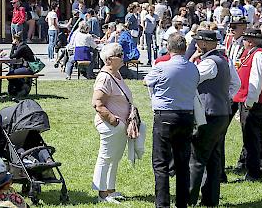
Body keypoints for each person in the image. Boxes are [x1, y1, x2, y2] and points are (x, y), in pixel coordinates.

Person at [144, 33, 199, 208]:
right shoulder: (193, 68)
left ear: (168, 48)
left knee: (161, 163)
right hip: (186, 116)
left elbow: (147, 81)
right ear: (185, 49)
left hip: (165, 115)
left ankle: (162, 203)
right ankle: (182, 202)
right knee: (183, 162)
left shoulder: (162, 67)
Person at [188, 30, 238, 206]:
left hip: (209, 114)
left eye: (198, 42)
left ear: (205, 44)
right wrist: (225, 98)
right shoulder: (224, 60)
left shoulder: (208, 63)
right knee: (214, 158)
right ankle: (210, 199)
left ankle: (189, 199)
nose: (195, 45)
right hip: (221, 113)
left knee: (197, 158)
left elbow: (189, 79)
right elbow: (236, 84)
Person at [232, 28, 262, 181]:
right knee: (255, 136)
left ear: (249, 41)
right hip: (252, 101)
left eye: (244, 40)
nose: (242, 42)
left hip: (253, 102)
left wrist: (250, 101)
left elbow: (255, 80)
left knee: (251, 138)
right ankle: (258, 167)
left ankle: (253, 173)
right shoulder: (254, 53)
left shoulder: (259, 55)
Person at [91, 43, 131, 203]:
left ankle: (110, 190)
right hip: (110, 124)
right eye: (118, 55)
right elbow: (97, 103)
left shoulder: (116, 74)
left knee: (115, 158)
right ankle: (102, 194)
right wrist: (114, 121)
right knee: (106, 157)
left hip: (120, 125)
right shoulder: (104, 77)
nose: (122, 56)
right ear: (108, 60)